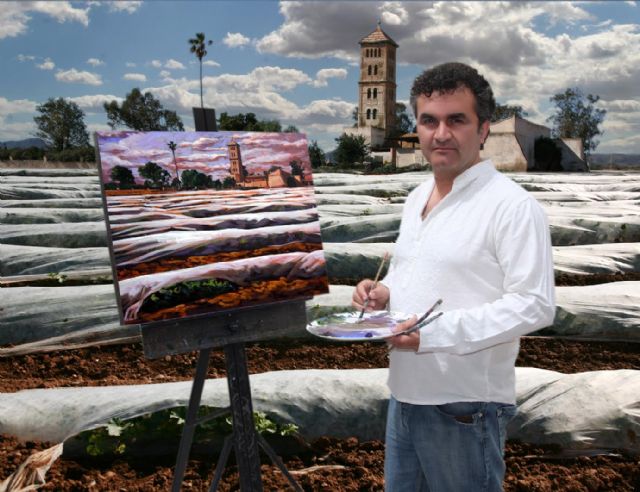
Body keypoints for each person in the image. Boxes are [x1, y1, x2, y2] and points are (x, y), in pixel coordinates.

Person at [352, 62, 556, 491]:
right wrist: (385, 293)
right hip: (405, 395)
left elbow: (535, 304)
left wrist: (432, 335)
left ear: (482, 129)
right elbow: (421, 271)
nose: (440, 133)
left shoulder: (510, 206)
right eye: (429, 120)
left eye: (456, 120)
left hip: (465, 406)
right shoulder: (416, 197)